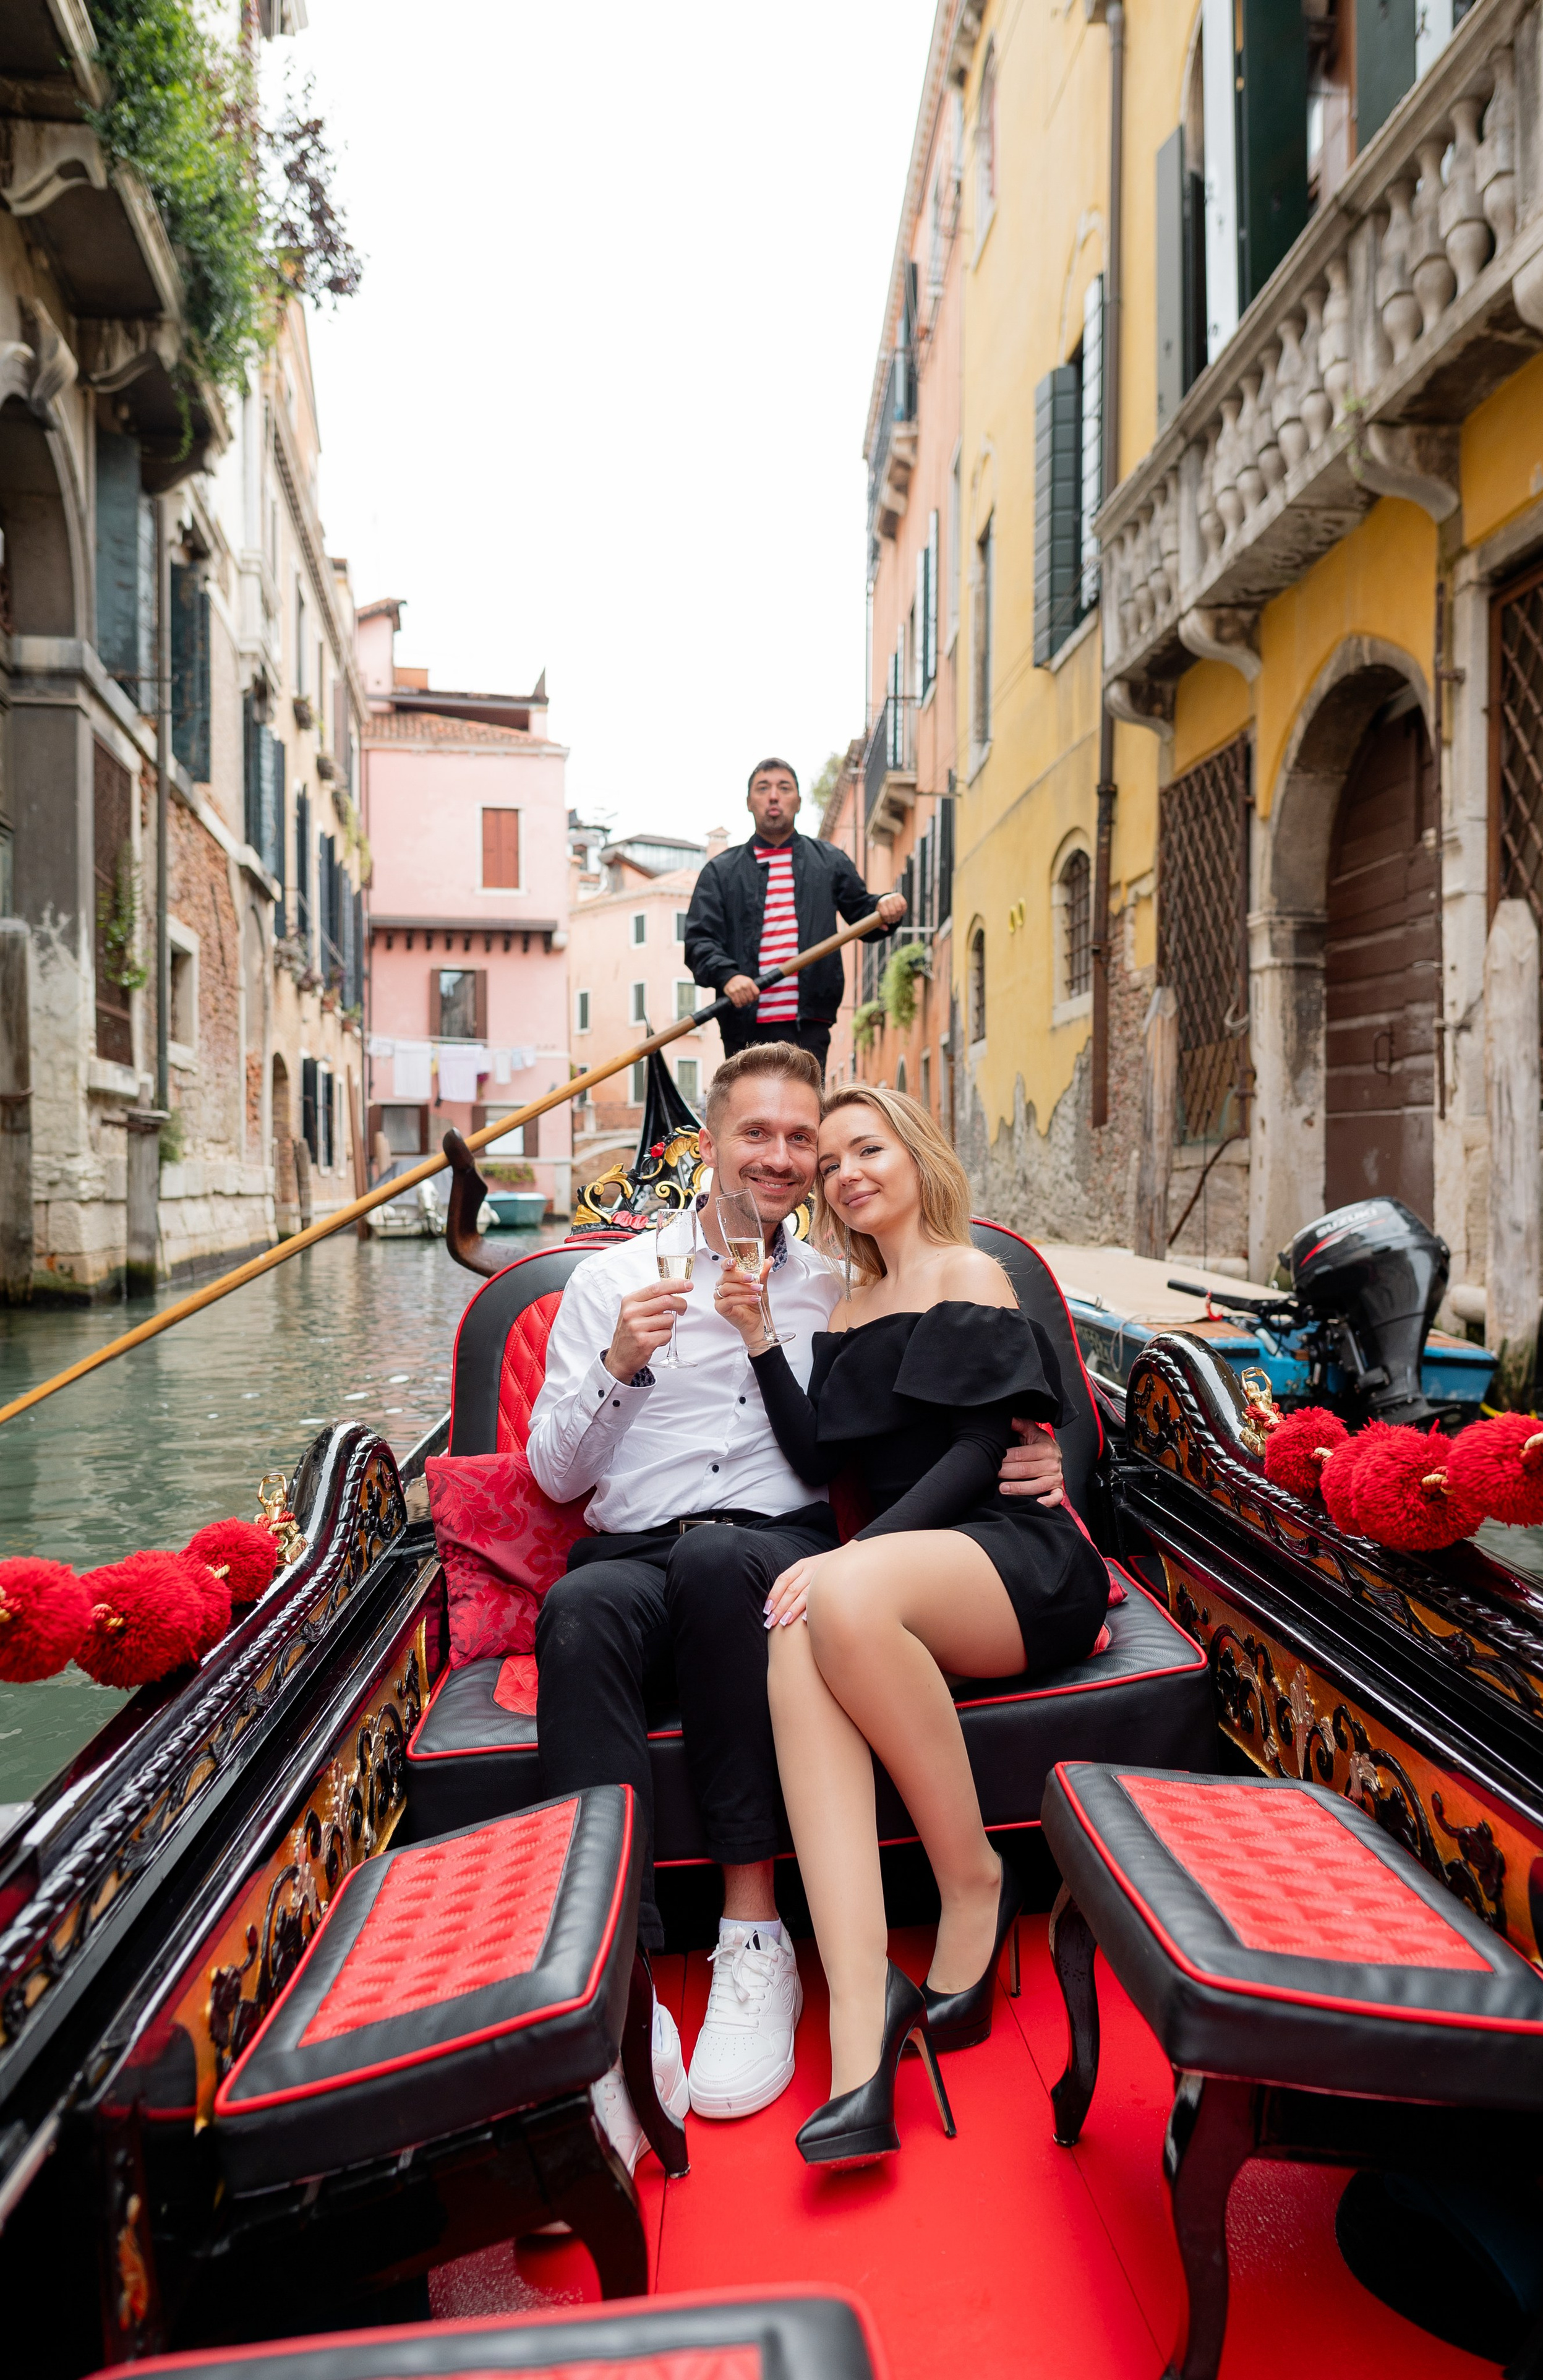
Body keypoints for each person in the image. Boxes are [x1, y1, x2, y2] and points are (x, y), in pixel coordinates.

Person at [525, 1043, 1066, 2162]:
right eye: (760, 1136)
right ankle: (607, 1980)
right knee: (574, 1617)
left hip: (782, 1549)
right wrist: (621, 1364)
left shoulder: (837, 1284)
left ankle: (756, 1934)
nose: (786, 1159)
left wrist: (1043, 1456)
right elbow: (553, 1480)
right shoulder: (609, 1283)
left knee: (751, 1574)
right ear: (709, 1144)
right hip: (636, 1550)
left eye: (805, 1141)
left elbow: (964, 1429)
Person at [714, 1084, 1110, 2169]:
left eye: (865, 1148)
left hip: (1012, 1558)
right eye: (831, 1161)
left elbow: (985, 1450)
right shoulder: (841, 1309)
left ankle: (973, 1877)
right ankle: (859, 2029)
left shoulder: (973, 1270)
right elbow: (815, 1457)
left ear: (916, 1153)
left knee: (826, 1593)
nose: (845, 1172)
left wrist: (856, 1557)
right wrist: (758, 1342)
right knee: (789, 1625)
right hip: (896, 1571)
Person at [683, 757, 906, 1073]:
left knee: (806, 1114)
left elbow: (863, 914)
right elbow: (699, 941)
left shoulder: (829, 861)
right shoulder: (720, 872)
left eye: (784, 788)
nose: (774, 796)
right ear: (750, 802)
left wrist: (885, 906)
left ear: (798, 802)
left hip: (809, 1023)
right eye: (763, 788)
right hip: (743, 1023)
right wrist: (729, 977)